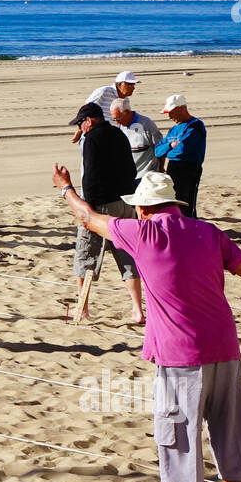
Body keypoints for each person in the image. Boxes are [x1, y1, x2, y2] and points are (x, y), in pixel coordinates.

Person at [52, 166, 241, 482]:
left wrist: (66, 189)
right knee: (230, 432)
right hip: (224, 347)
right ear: (174, 204)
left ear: (143, 209)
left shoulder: (143, 233)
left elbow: (87, 217)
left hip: (180, 355)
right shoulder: (207, 231)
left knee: (178, 437)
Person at [67, 103, 145, 324]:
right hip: (125, 202)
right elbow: (131, 169)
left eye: (81, 123)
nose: (80, 128)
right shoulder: (119, 134)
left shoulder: (92, 138)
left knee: (86, 254)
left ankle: (82, 309)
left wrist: (87, 207)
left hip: (101, 205)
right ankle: (138, 310)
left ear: (89, 121)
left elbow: (90, 175)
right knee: (127, 254)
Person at [154, 94, 206, 218]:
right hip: (173, 167)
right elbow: (157, 151)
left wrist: (168, 150)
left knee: (187, 203)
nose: (169, 116)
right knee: (173, 201)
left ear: (182, 108)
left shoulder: (195, 125)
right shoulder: (174, 129)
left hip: (189, 169)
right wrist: (171, 145)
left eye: (172, 112)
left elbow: (182, 149)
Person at [71, 71, 140, 145]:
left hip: (111, 138)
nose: (133, 87)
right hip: (93, 137)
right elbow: (85, 110)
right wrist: (79, 130)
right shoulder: (103, 91)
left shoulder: (125, 100)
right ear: (120, 84)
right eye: (130, 84)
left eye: (133, 84)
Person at [110, 97, 162, 185]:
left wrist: (160, 169)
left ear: (126, 112)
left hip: (147, 176)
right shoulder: (121, 127)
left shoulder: (147, 124)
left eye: (118, 119)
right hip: (128, 176)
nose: (117, 123)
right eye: (114, 119)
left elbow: (160, 147)